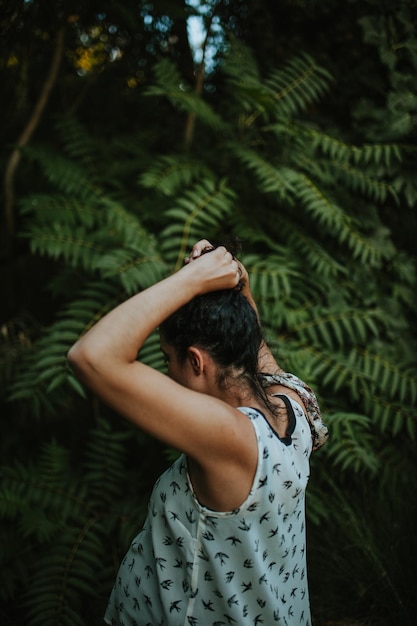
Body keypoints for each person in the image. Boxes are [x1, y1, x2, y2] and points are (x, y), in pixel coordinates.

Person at [68, 239, 328, 626]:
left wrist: (190, 281)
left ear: (195, 360)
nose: (167, 372)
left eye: (167, 360)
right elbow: (248, 340)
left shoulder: (228, 436)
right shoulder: (291, 403)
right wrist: (234, 283)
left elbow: (89, 356)